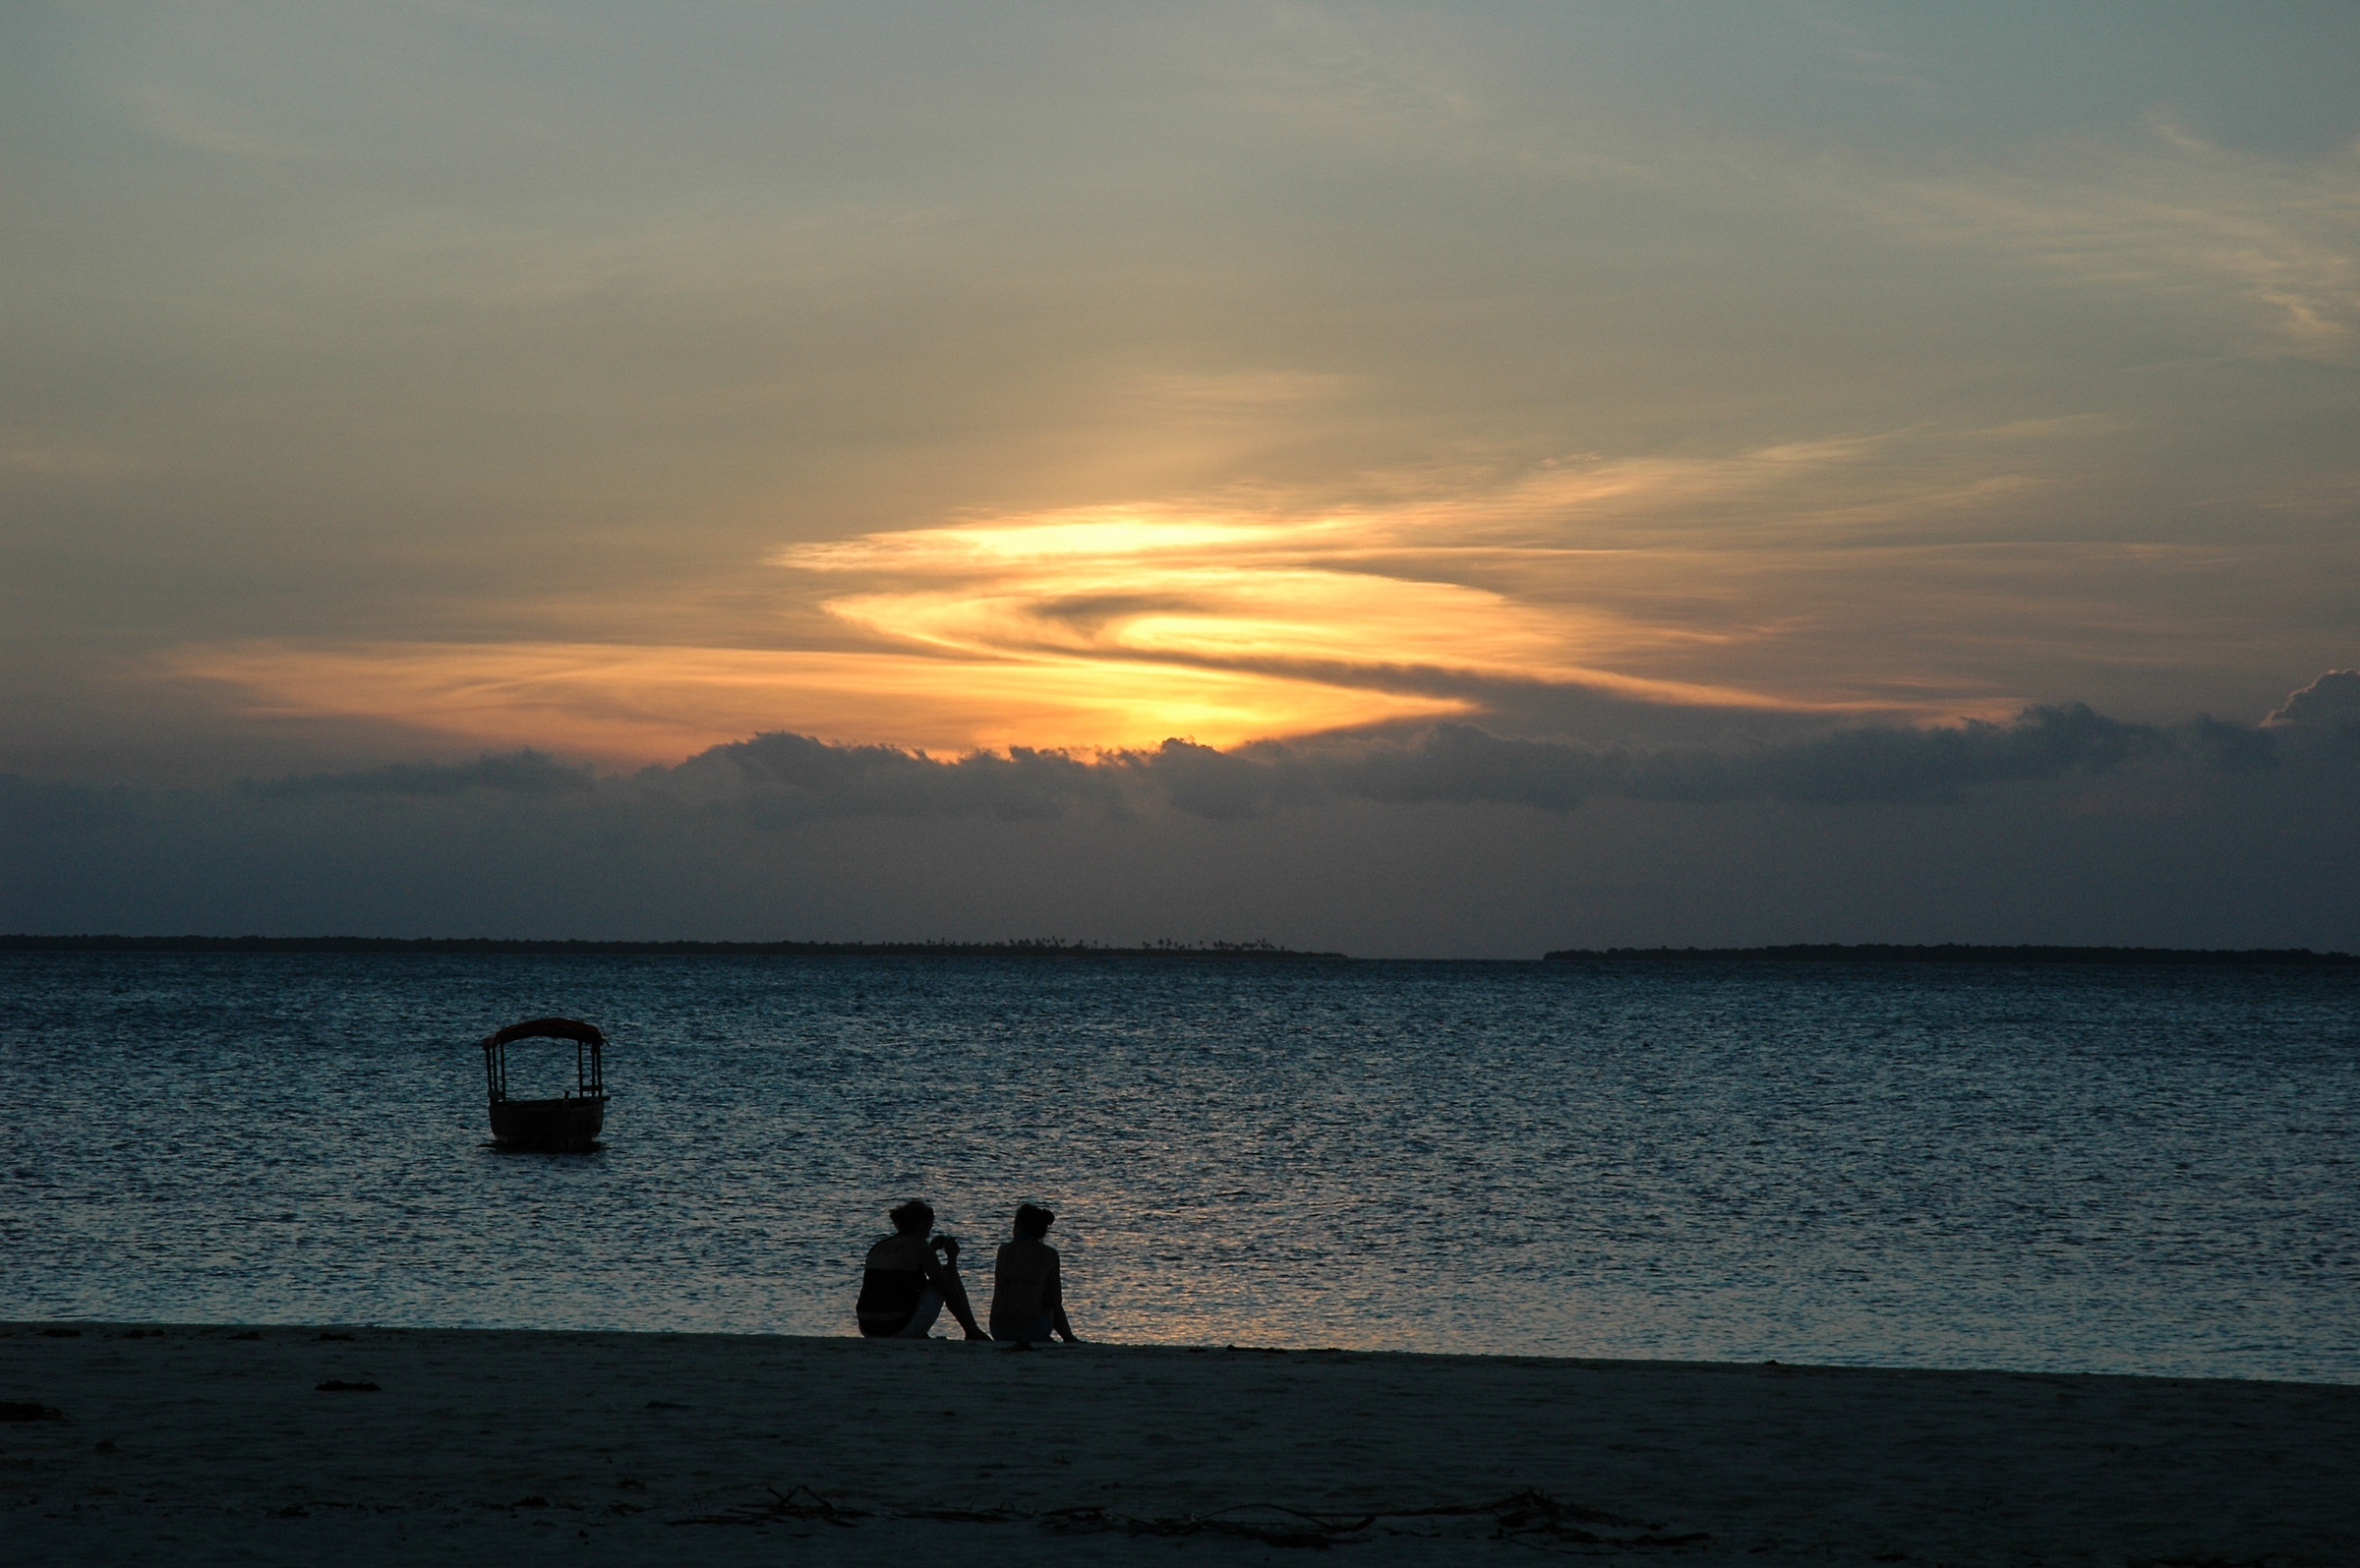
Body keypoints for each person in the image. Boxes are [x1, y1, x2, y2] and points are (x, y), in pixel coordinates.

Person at [856, 1199, 987, 1340]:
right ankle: (971, 1330)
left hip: (867, 1328)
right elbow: (946, 1288)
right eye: (929, 1225)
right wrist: (952, 1258)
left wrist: (931, 1251)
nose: (929, 1231)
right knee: (947, 1272)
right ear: (921, 1225)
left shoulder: (879, 1246)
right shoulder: (920, 1246)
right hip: (895, 1328)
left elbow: (899, 1284)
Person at [989, 1202, 1080, 1344]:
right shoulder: (1049, 1255)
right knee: (1049, 1297)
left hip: (998, 1329)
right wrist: (1068, 1337)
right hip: (1031, 1329)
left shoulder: (1003, 1251)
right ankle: (1068, 1337)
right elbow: (1056, 1302)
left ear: (1018, 1225)